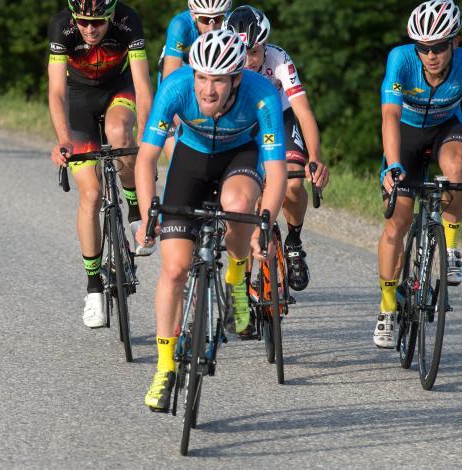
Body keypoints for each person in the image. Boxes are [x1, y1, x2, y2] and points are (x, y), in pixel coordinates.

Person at [134, 30, 287, 411]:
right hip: (192, 160)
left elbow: (278, 172)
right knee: (174, 271)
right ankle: (165, 366)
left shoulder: (260, 95)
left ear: (237, 77)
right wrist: (147, 211)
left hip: (238, 157)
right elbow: (147, 159)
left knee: (236, 202)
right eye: (202, 77)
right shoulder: (176, 86)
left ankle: (236, 275)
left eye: (218, 79)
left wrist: (265, 221)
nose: (207, 89)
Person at [374, 0, 462, 348]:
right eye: (423, 47)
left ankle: (449, 246)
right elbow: (389, 117)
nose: (430, 55)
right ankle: (388, 308)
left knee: (456, 168)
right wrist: (392, 165)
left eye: (439, 46)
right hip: (406, 132)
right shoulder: (401, 60)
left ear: (455, 42)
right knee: (397, 222)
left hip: (448, 128)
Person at [47, 0, 154, 329]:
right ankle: (93, 287)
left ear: (111, 16)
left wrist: (149, 135)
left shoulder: (128, 20)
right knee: (91, 195)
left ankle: (134, 208)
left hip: (116, 91)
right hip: (78, 99)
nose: (90, 29)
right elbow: (55, 91)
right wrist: (63, 138)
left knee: (120, 133)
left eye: (98, 23)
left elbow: (143, 85)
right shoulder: (62, 27)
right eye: (83, 22)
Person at [224, 5, 329, 294]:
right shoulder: (224, 62)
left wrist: (315, 158)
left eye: (255, 52)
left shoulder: (279, 59)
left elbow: (303, 112)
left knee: (294, 184)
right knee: (244, 200)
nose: (248, 60)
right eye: (242, 52)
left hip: (279, 118)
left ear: (265, 46)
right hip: (243, 124)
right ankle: (241, 284)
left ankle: (294, 243)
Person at [157, 0, 232, 158]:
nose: (211, 28)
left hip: (213, 74)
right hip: (182, 69)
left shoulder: (232, 23)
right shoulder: (180, 25)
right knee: (178, 154)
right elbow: (171, 82)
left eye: (218, 19)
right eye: (205, 20)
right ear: (193, 15)